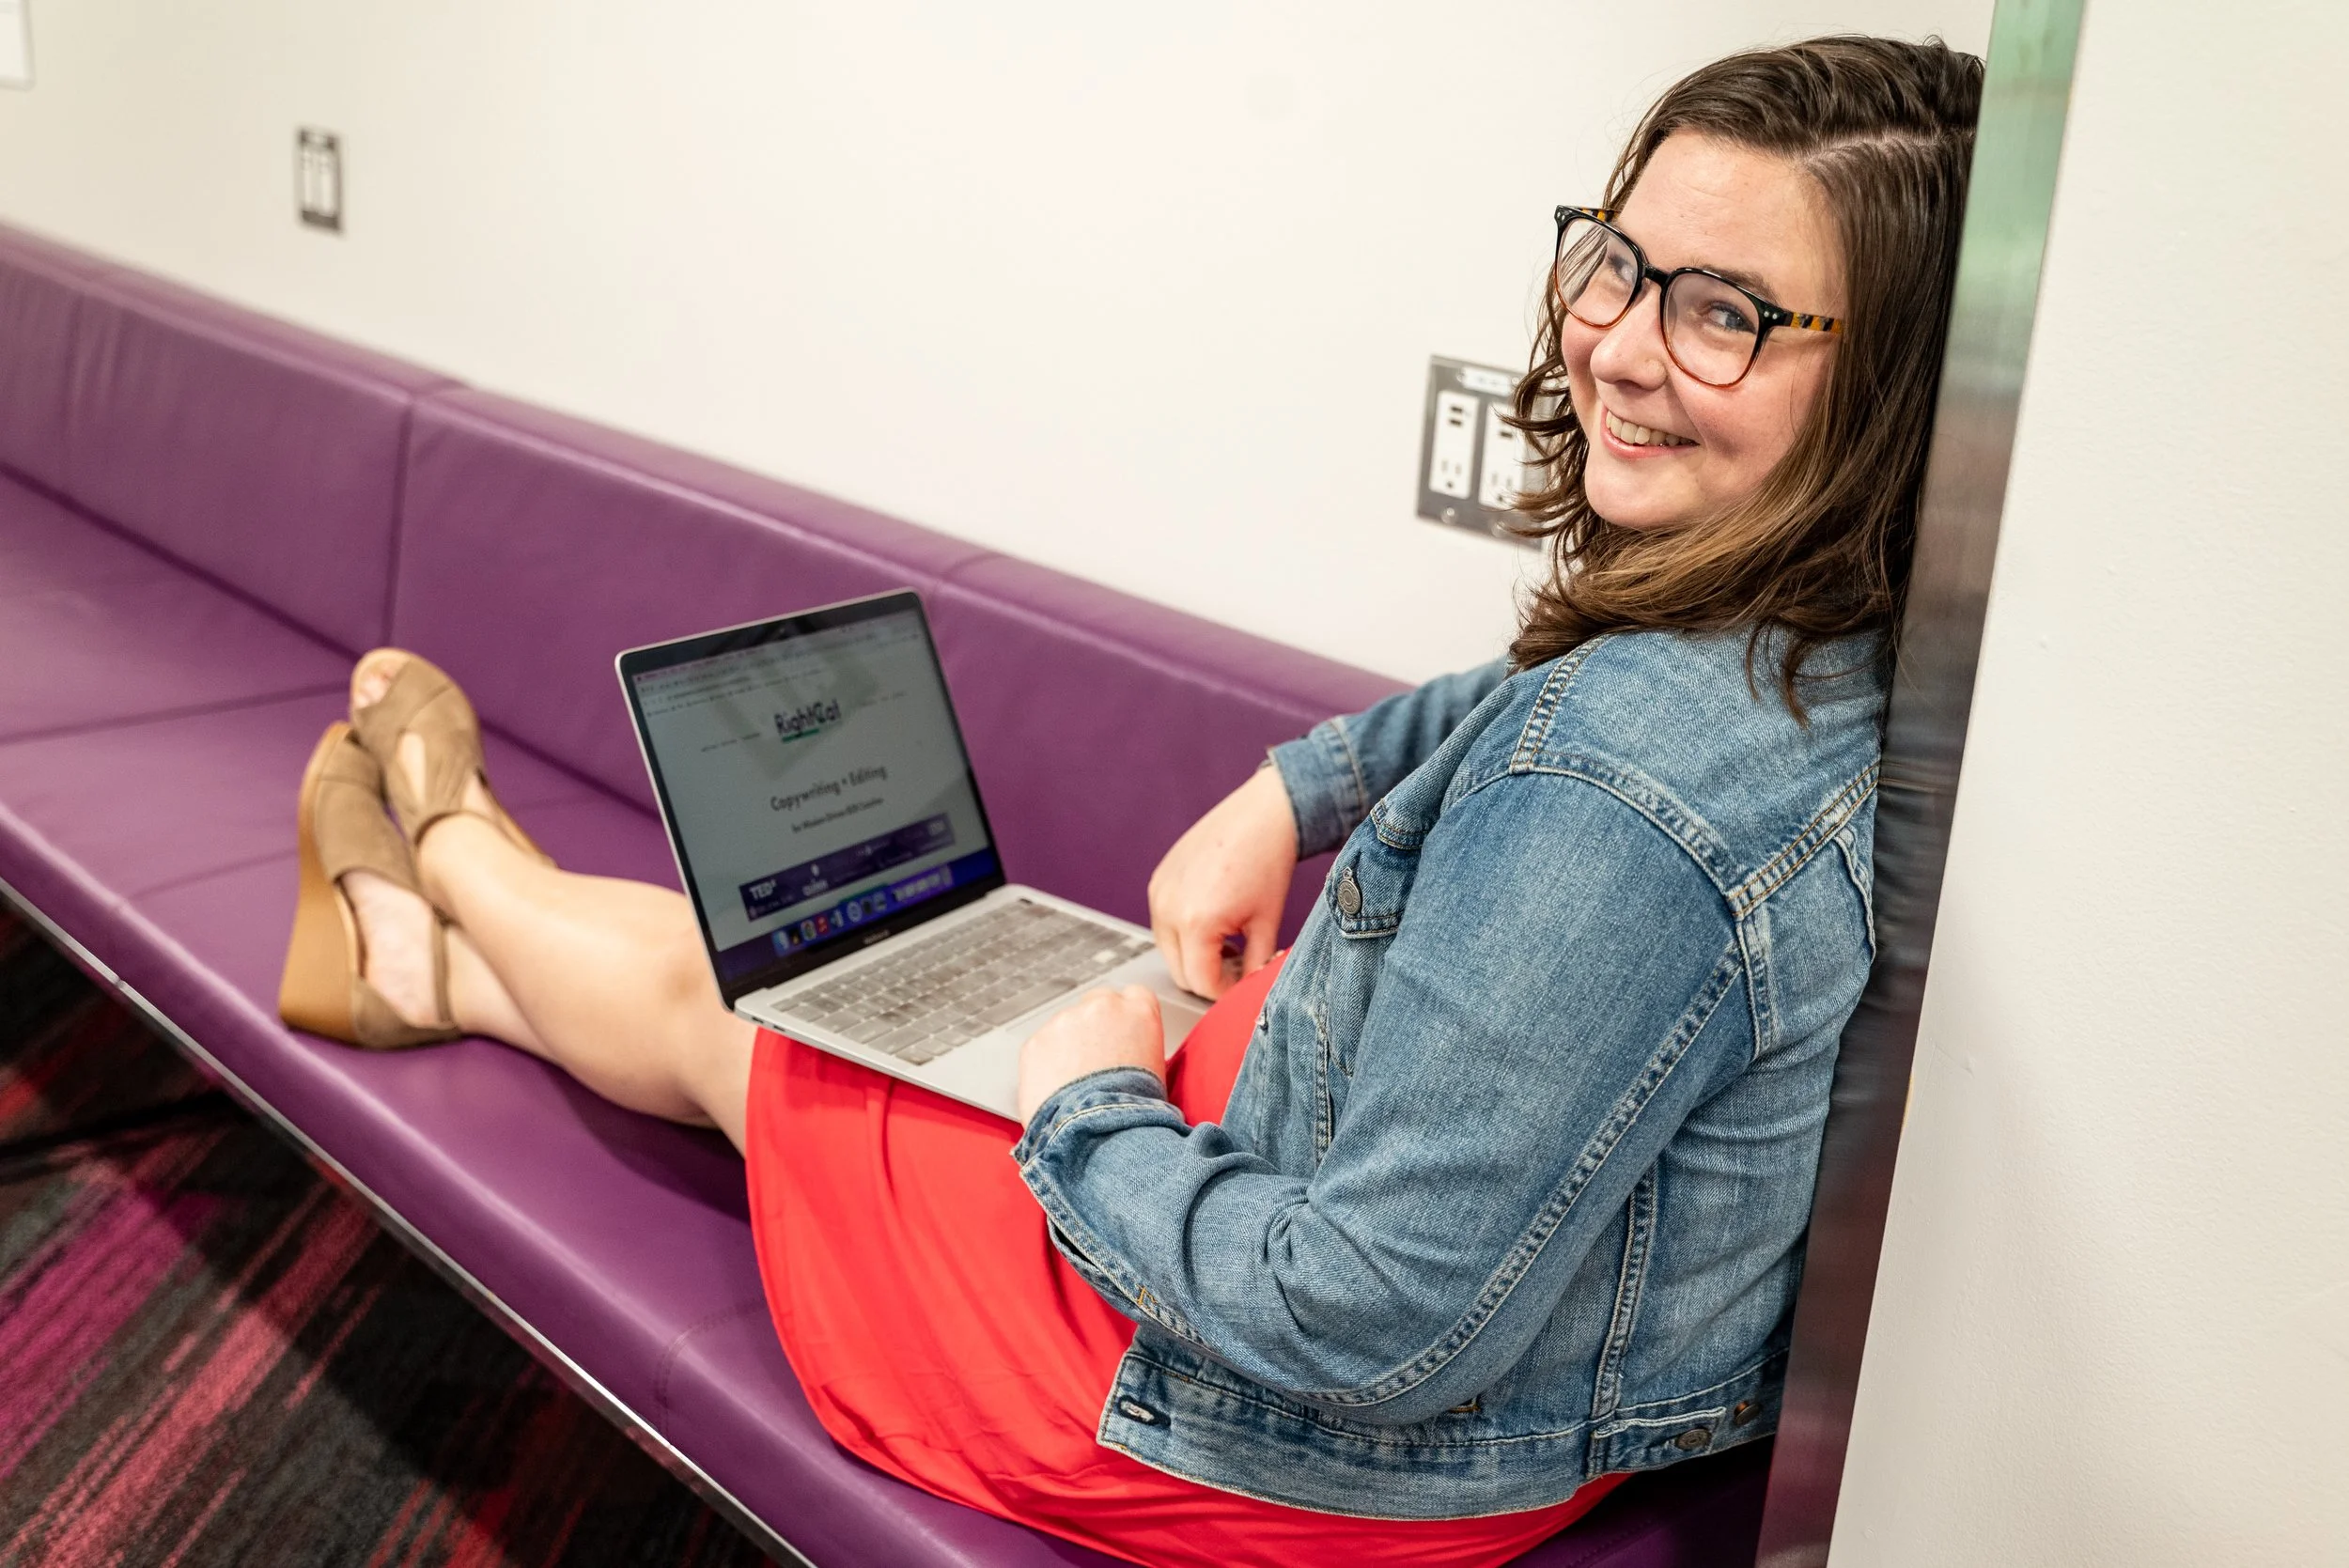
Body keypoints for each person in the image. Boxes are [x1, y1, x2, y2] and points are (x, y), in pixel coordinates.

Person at [276, 34, 1982, 1568]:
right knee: (886, 1010)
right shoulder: (1839, 650)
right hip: (1494, 1324)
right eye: (1615, 266)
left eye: (1725, 313)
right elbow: (1526, 710)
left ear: (1886, 375)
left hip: (1275, 1435)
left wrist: (1086, 1108)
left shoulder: (1614, 797)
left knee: (771, 1034)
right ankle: (433, 972)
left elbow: (1358, 1325)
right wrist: (1288, 793)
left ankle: (447, 854)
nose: (1616, 346)